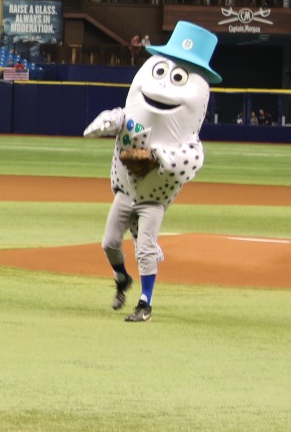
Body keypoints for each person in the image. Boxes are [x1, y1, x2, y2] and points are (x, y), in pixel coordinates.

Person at [83, 22, 221, 323]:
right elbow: (121, 117)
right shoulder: (136, 102)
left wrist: (160, 156)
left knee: (145, 249)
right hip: (126, 192)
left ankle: (145, 304)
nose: (163, 84)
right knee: (109, 243)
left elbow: (190, 159)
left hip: (152, 201)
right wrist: (107, 123)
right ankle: (122, 279)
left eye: (178, 77)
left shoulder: (190, 141)